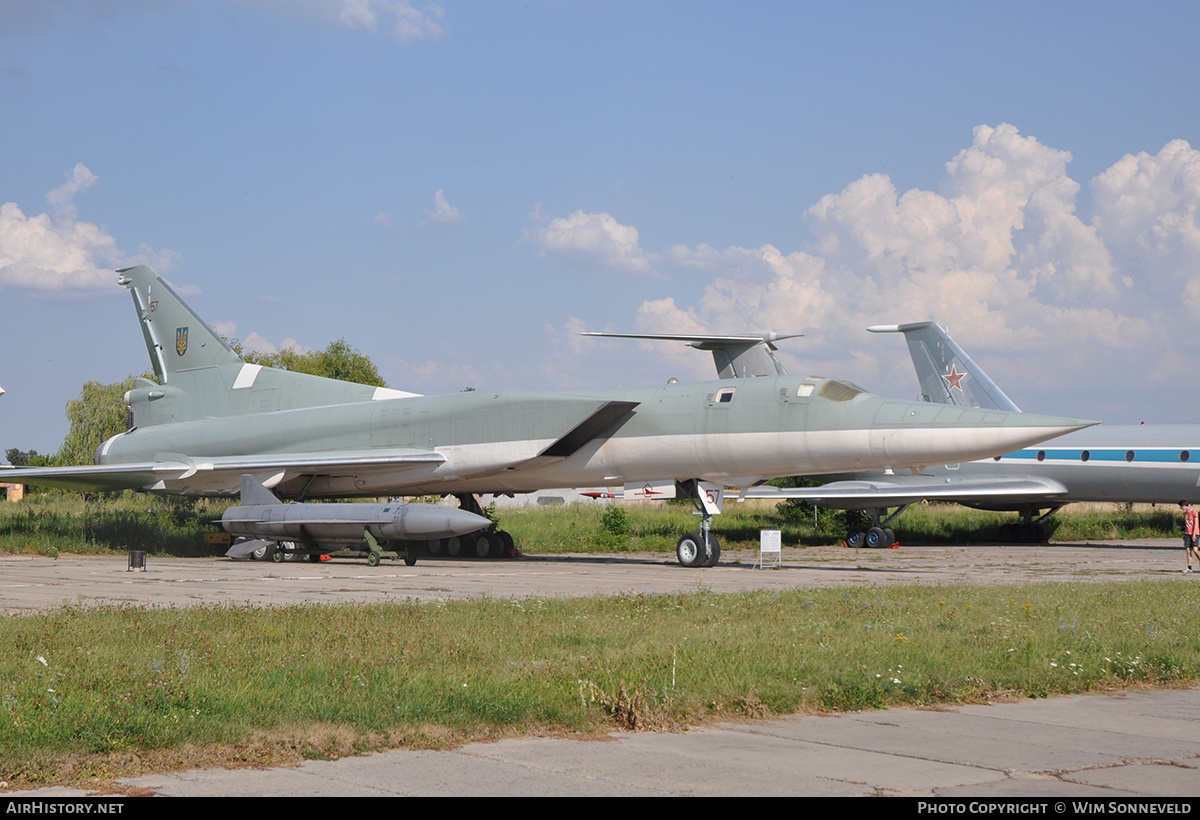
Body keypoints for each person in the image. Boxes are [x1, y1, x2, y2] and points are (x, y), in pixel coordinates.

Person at [1180, 501, 1200, 573]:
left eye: (1181, 507)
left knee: (1195, 550)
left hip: (1194, 533)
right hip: (1187, 533)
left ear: (1184, 505)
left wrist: (1194, 534)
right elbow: (1187, 525)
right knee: (1188, 550)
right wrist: (1184, 534)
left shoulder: (1194, 512)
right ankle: (1189, 567)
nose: (1181, 508)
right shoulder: (1185, 514)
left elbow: (1196, 524)